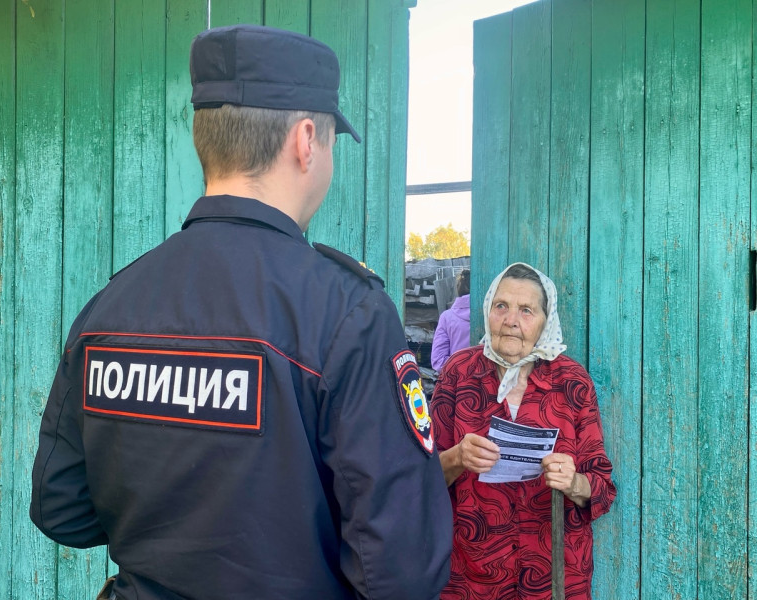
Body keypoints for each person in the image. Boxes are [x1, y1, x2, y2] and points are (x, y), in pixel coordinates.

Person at [30, 24, 452, 600]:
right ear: (306, 140)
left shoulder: (114, 301)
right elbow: (403, 569)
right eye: (329, 142)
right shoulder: (346, 311)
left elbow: (63, 509)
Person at [429, 262, 616, 599]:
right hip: (472, 574)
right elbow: (420, 480)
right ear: (487, 310)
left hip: (555, 575)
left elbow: (601, 487)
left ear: (546, 321)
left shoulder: (572, 382)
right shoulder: (458, 373)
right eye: (501, 306)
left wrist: (572, 482)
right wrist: (458, 457)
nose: (511, 320)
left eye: (526, 310)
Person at [430, 269, 471, 371]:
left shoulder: (447, 317)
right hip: (489, 383)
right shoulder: (492, 315)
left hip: (457, 382)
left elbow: (438, 360)